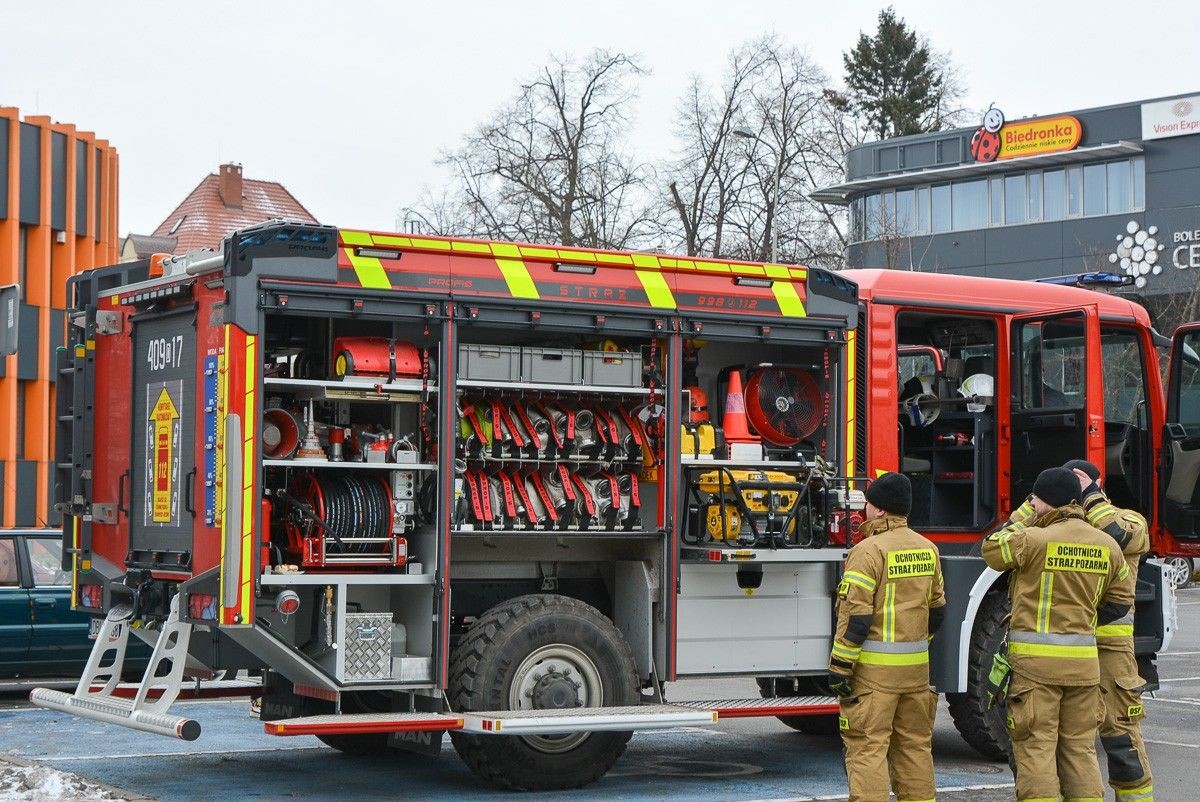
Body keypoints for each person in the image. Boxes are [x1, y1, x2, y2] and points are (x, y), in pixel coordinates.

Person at [983, 467, 1134, 802]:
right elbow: (1121, 602)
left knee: (1036, 747)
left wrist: (1023, 515)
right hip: (1084, 670)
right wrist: (1082, 623)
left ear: (1045, 501)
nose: (1032, 506)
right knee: (1079, 750)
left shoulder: (1033, 539)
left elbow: (991, 548)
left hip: (1036, 671)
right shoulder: (1108, 545)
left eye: (1034, 500)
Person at [829, 471, 946, 802]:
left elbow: (857, 620)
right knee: (914, 748)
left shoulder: (868, 552)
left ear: (879, 510)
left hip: (874, 678)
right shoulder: (928, 549)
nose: (864, 508)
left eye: (868, 503)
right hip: (916, 675)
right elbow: (937, 612)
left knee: (867, 748)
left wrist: (840, 667)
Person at [1064, 459, 1155, 802]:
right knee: (1072, 740)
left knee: (1120, 738)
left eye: (1083, 481)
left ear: (1099, 485)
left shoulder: (1130, 520)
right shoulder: (1060, 528)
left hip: (1112, 652)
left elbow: (1116, 534)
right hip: (1071, 648)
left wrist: (1090, 495)